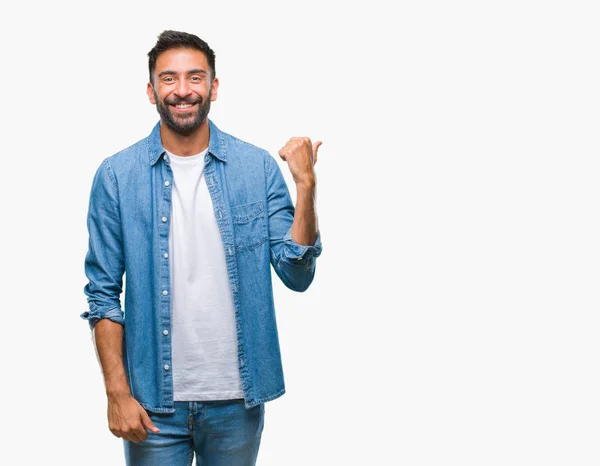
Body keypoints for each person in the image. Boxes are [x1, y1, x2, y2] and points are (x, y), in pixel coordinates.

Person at [81, 30, 323, 465]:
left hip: (237, 402)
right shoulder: (117, 176)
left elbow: (297, 274)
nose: (182, 90)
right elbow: (102, 293)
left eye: (195, 78)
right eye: (169, 79)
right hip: (153, 403)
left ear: (213, 87)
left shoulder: (256, 168)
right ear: (151, 91)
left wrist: (305, 187)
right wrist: (117, 394)